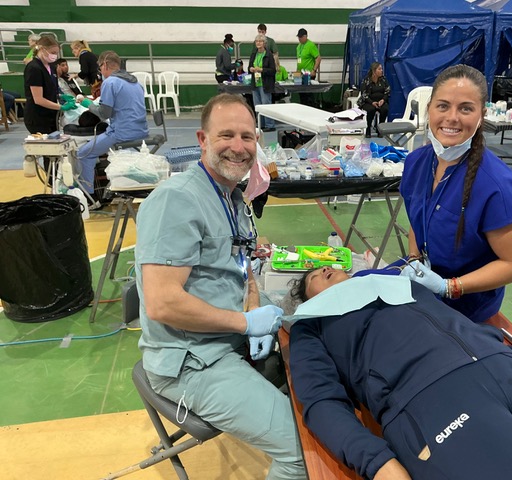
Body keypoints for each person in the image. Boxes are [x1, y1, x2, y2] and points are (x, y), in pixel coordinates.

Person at [287, 269, 512, 480]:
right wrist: (378, 462)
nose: (324, 270)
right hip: (431, 402)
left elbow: (464, 326)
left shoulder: (401, 285)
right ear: (307, 299)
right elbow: (321, 401)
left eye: (328, 266)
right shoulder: (313, 325)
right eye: (313, 277)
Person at [134, 93, 306, 480]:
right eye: (226, 135)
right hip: (191, 362)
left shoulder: (231, 198)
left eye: (247, 137)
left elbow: (244, 268)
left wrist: (253, 307)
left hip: (228, 341)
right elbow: (162, 303)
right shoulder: (176, 200)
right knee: (300, 452)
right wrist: (245, 323)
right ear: (202, 140)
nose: (238, 147)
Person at [399, 64, 512, 324]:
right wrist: (414, 259)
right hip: (423, 296)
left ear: (482, 115)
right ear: (429, 108)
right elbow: (417, 219)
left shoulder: (497, 186)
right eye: (443, 106)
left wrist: (449, 287)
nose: (452, 117)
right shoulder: (416, 163)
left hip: (468, 314)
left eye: (466, 109)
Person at [75, 50, 148, 202]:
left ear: (105, 65)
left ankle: (90, 198)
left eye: (100, 67)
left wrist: (88, 104)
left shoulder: (110, 83)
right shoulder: (135, 83)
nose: (100, 71)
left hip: (122, 133)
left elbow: (104, 114)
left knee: (83, 154)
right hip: (141, 130)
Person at [23, 36, 77, 136]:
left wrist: (60, 96)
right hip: (38, 116)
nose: (54, 56)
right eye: (52, 52)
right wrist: (61, 107)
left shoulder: (51, 66)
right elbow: (38, 99)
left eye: (56, 53)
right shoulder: (34, 68)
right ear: (42, 49)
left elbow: (50, 88)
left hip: (51, 114)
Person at [249, 34, 277, 131]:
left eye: (260, 41)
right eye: (257, 41)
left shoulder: (268, 55)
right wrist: (251, 69)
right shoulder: (254, 54)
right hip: (255, 83)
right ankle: (261, 124)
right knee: (257, 105)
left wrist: (262, 70)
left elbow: (273, 70)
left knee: (266, 104)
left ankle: (270, 125)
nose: (258, 43)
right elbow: (249, 67)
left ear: (264, 43)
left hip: (265, 84)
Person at [357, 62, 390, 138]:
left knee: (385, 109)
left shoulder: (384, 80)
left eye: (381, 69)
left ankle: (380, 129)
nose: (381, 70)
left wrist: (383, 100)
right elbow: (364, 94)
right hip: (368, 102)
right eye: (379, 69)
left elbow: (387, 91)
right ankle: (368, 128)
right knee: (371, 110)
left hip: (381, 101)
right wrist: (372, 102)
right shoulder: (366, 80)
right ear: (374, 71)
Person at [295, 28, 321, 107]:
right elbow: (299, 60)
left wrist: (314, 70)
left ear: (305, 36)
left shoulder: (311, 45)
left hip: (308, 74)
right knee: (301, 93)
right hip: (299, 73)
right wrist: (296, 72)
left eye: (301, 37)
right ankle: (302, 107)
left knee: (308, 93)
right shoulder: (299, 46)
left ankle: (310, 107)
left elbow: (318, 58)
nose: (299, 39)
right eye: (298, 37)